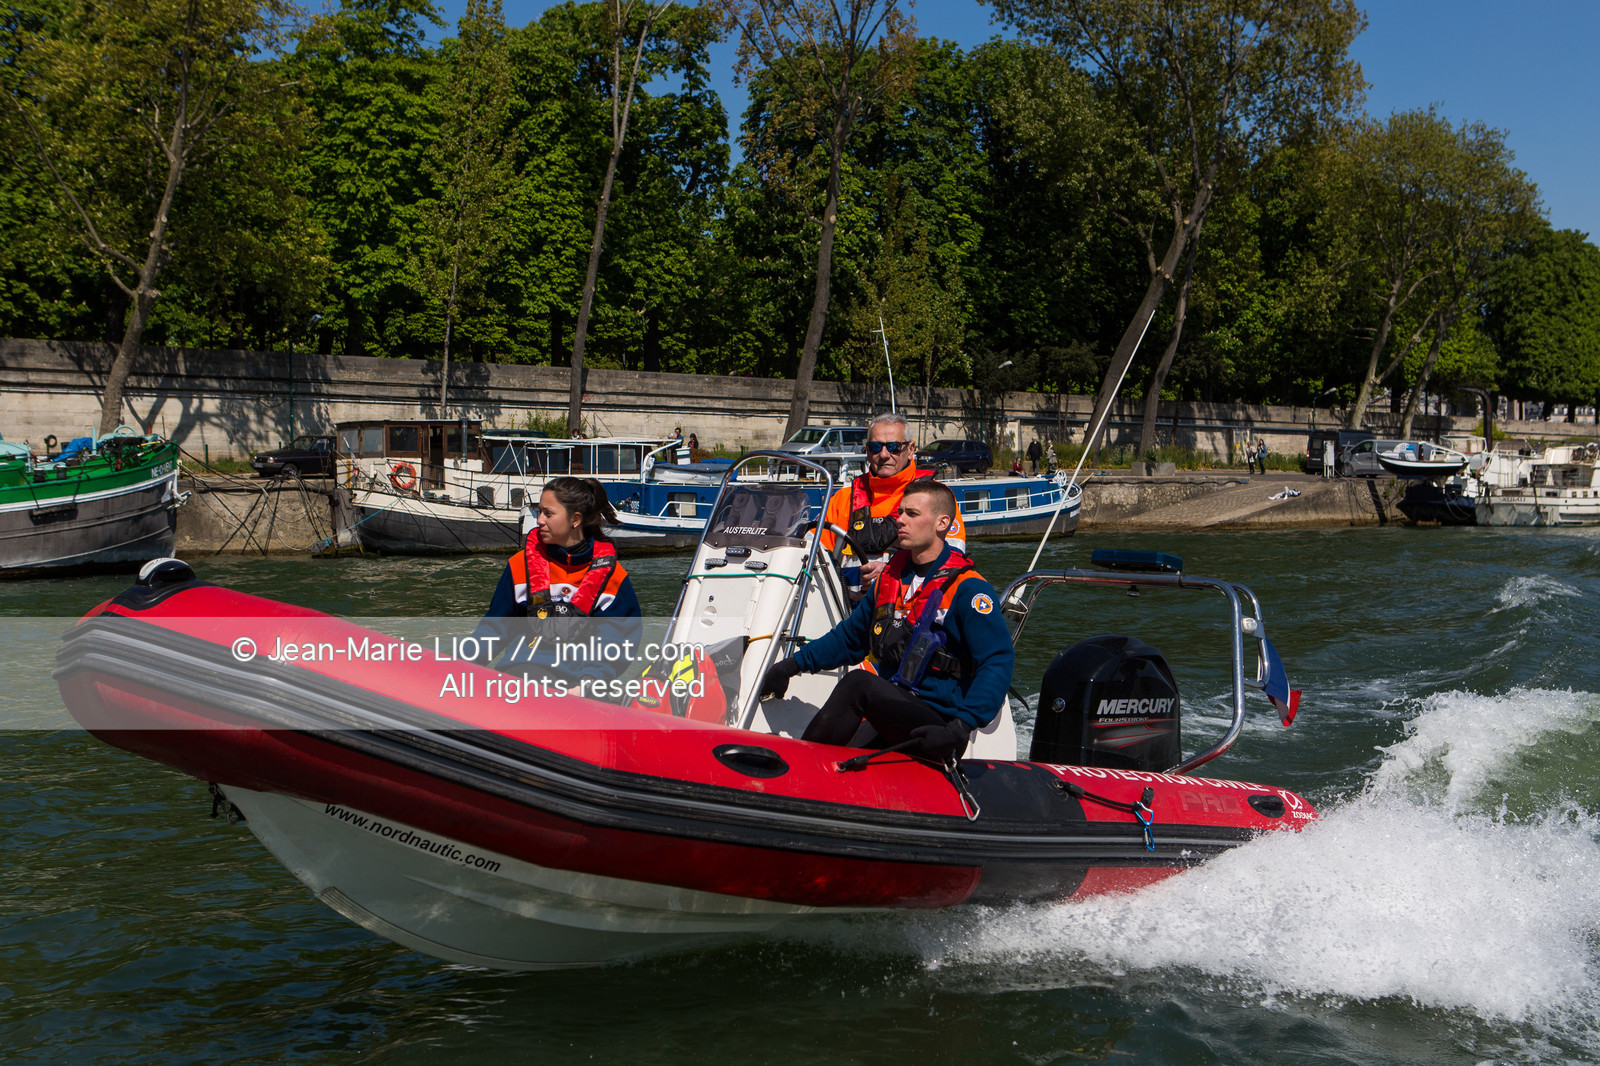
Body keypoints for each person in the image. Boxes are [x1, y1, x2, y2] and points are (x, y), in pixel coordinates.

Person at [759, 479, 1013, 762]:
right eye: (900, 512)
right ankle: (804, 776)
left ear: (942, 523)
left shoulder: (968, 589)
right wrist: (790, 666)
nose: (900, 520)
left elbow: (998, 660)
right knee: (839, 758)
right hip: (894, 709)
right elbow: (849, 639)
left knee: (859, 683)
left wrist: (962, 725)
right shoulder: (892, 578)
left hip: (939, 727)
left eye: (911, 514)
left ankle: (798, 767)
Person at [473, 476, 641, 684]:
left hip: (579, 682)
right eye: (539, 511)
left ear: (575, 519)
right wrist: (457, 667)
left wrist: (588, 685)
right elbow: (494, 629)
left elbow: (615, 641)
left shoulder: (614, 577)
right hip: (524, 672)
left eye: (548, 513)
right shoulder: (519, 566)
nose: (539, 520)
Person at [820, 412, 966, 599]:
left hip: (912, 607)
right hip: (850, 609)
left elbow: (953, 557)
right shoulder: (844, 498)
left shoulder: (937, 496)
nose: (884, 454)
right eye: (875, 447)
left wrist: (892, 572)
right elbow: (814, 556)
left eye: (894, 447)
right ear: (867, 450)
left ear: (911, 449)